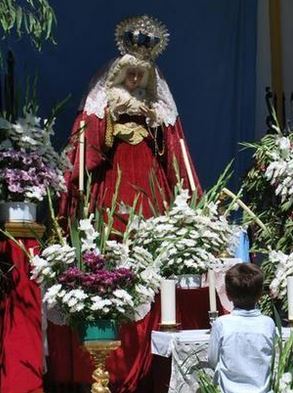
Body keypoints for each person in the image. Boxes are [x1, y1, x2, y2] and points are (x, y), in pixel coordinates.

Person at [59, 15, 202, 225]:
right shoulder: (110, 97)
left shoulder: (152, 100)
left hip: (146, 156)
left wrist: (154, 121)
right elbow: (93, 132)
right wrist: (112, 116)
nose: (134, 79)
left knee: (149, 203)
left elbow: (167, 142)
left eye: (139, 75)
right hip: (116, 158)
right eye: (131, 74)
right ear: (122, 74)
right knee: (114, 204)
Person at [208, 263, 275, 393]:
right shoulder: (268, 323)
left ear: (228, 294)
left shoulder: (222, 324)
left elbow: (212, 360)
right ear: (260, 294)